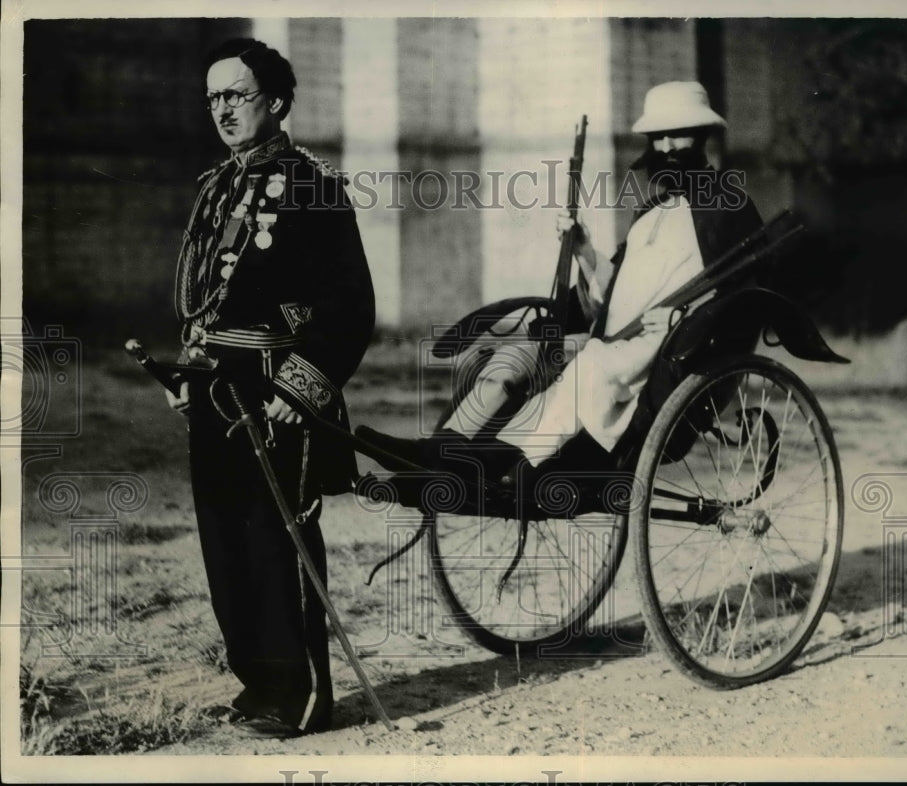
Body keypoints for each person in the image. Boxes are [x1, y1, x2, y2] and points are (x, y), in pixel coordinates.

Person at [361, 81, 761, 484]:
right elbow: (615, 296)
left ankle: (504, 464)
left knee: (589, 365)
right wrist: (584, 249)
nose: (669, 148)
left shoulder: (729, 207)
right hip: (615, 339)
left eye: (680, 134)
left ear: (704, 136)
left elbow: (745, 295)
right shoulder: (652, 213)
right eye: (659, 137)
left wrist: (686, 318)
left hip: (668, 353)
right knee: (519, 355)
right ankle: (440, 449)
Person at [165, 38, 375, 735]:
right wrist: (188, 372)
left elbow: (350, 306)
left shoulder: (311, 184)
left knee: (276, 543)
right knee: (225, 546)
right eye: (213, 97)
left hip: (275, 394)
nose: (221, 108)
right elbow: (205, 299)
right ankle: (258, 685)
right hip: (217, 391)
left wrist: (299, 389)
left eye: (236, 94)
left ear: (277, 101)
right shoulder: (218, 186)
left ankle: (304, 698)